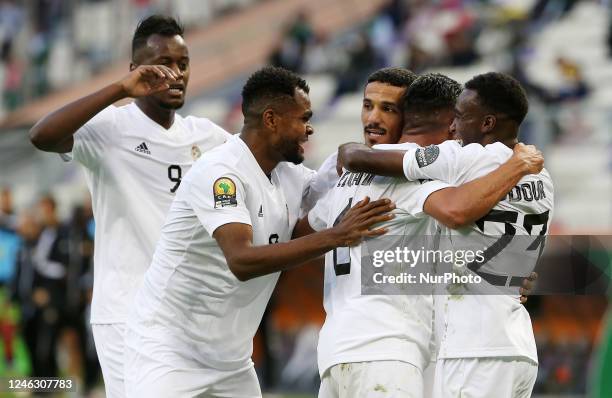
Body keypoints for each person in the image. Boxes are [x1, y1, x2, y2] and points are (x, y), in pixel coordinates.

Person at [123, 66, 395, 397]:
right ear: (271, 120)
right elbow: (241, 261)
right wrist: (338, 236)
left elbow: (328, 188)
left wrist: (354, 157)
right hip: (169, 350)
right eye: (302, 118)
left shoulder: (290, 176)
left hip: (231, 359)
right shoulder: (220, 173)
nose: (309, 129)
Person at [294, 73, 544, 397]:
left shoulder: (347, 174)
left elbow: (299, 235)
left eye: (387, 109)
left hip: (336, 351)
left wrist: (504, 270)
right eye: (368, 106)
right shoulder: (416, 180)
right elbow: (458, 211)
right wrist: (517, 165)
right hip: (388, 351)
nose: (373, 118)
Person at [28, 15, 231, 397]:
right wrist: (121, 89)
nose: (176, 74)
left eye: (183, 64)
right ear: (137, 69)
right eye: (164, 64)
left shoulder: (207, 137)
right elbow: (42, 135)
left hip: (191, 313)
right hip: (126, 313)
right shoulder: (110, 129)